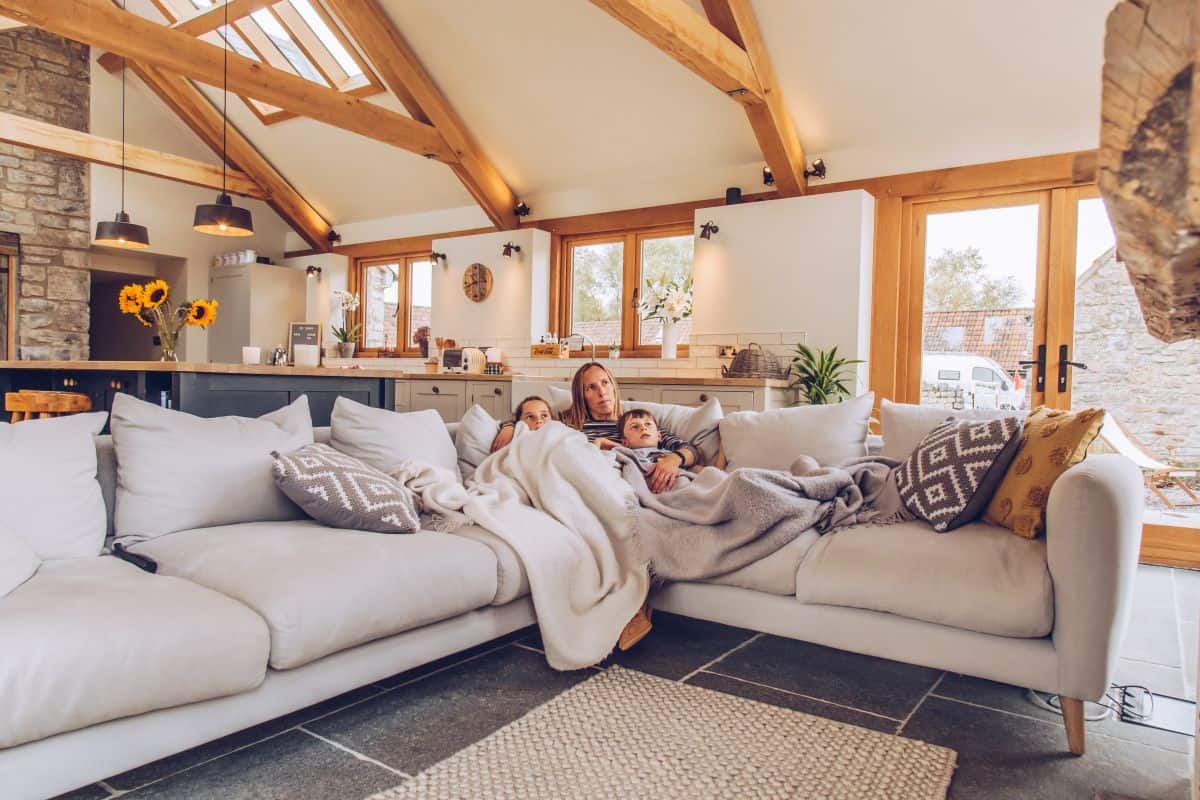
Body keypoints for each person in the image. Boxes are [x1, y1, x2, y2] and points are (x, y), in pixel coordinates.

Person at [492, 362, 701, 494]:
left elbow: (691, 449)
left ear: (613, 385)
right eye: (591, 387)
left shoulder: (635, 424)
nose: (602, 392)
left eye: (605, 383)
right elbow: (535, 421)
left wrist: (674, 459)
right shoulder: (568, 422)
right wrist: (511, 425)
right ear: (581, 395)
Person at [618, 408, 686, 477]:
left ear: (659, 436)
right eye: (635, 426)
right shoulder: (625, 455)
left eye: (648, 424)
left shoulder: (672, 454)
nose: (643, 428)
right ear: (625, 442)